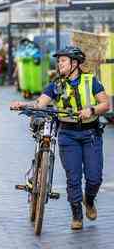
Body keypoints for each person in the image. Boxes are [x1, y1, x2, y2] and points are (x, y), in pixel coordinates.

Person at [10, 46, 110, 230]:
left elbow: (106, 104)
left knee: (94, 178)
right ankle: (76, 215)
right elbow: (41, 102)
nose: (59, 64)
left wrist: (92, 110)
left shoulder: (90, 81)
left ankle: (89, 200)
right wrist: (23, 104)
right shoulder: (56, 85)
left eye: (63, 60)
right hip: (67, 134)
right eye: (59, 61)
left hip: (91, 134)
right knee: (73, 178)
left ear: (75, 63)